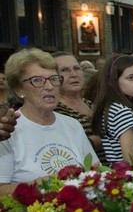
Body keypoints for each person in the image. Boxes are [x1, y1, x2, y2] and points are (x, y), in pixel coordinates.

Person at [0, 49, 98, 192]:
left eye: (54, 79)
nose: (49, 86)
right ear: (19, 90)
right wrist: (43, 184)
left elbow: (95, 171)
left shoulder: (72, 125)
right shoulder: (7, 128)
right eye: (37, 80)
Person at [90, 54, 133, 165]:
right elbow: (130, 158)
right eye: (131, 78)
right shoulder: (122, 112)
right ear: (113, 81)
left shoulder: (112, 108)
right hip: (128, 172)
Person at [53, 51, 93, 127]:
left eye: (77, 68)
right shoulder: (53, 110)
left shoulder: (90, 104)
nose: (74, 74)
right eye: (64, 70)